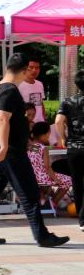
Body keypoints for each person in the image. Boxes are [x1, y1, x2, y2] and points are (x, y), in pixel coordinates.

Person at [0, 52, 68, 248]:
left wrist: (20, 142)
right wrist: (5, 146)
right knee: (30, 193)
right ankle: (42, 236)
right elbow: (2, 119)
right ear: (25, 70)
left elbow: (8, 121)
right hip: (10, 152)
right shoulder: (10, 91)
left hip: (2, 151)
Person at [56, 69, 84, 231]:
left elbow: (58, 121)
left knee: (77, 183)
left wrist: (62, 138)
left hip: (74, 148)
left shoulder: (67, 102)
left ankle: (82, 221)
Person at [27, 121, 72, 208]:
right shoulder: (44, 149)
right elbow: (47, 167)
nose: (49, 137)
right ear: (44, 135)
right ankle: (54, 203)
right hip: (42, 177)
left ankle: (47, 201)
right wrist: (55, 179)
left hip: (32, 176)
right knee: (69, 181)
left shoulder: (31, 147)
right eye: (48, 134)